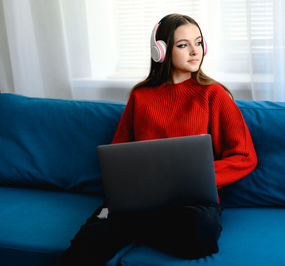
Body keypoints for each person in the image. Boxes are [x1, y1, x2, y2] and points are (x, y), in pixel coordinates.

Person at [59, 13, 257, 265]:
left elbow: (245, 156)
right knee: (88, 240)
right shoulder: (141, 96)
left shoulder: (214, 95)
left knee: (201, 235)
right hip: (141, 196)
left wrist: (199, 177)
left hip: (192, 201)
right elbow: (119, 151)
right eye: (183, 45)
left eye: (198, 42)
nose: (195, 51)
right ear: (160, 51)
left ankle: (130, 227)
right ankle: (126, 222)